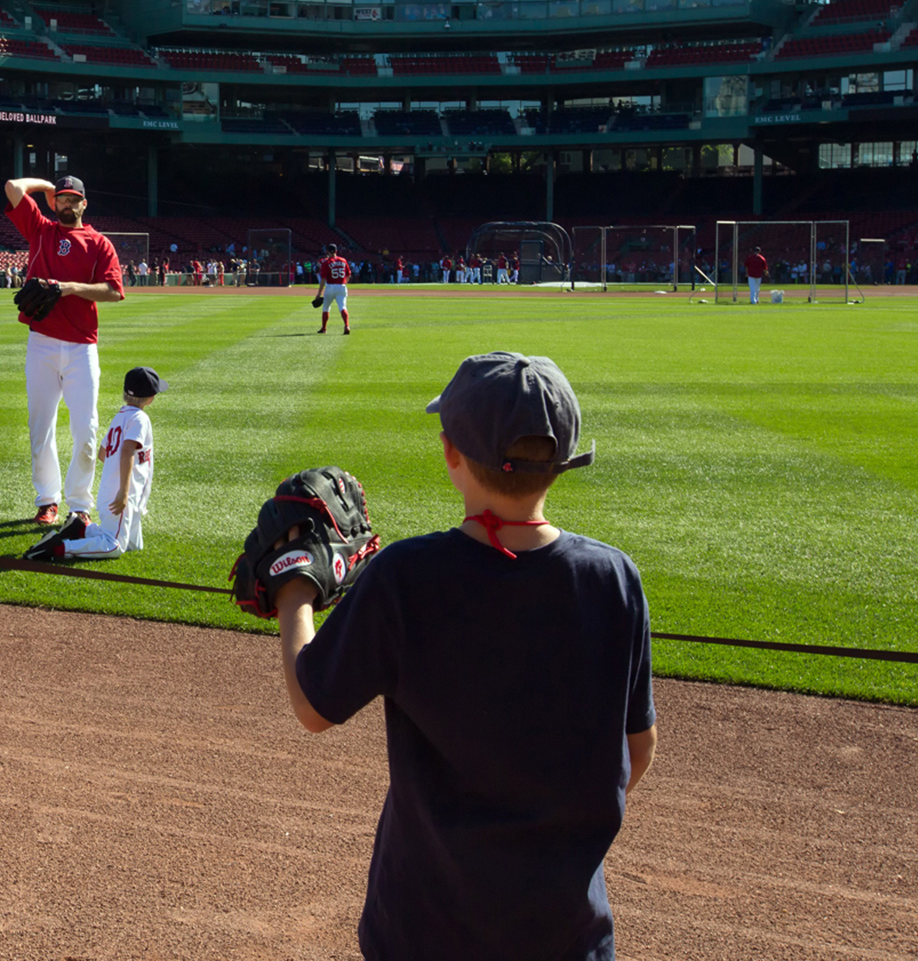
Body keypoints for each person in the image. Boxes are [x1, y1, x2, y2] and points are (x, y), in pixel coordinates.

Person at [270, 351, 656, 961]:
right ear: (563, 461)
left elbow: (313, 705)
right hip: (564, 932)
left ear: (451, 454)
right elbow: (635, 754)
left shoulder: (406, 576)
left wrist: (295, 589)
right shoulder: (614, 577)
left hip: (426, 927)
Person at [4, 173, 125, 525]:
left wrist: (68, 288)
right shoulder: (40, 230)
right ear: (54, 202)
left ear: (85, 203)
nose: (67, 204)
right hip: (41, 343)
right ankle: (47, 500)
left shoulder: (99, 243)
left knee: (85, 431)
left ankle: (79, 505)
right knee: (41, 427)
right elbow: (13, 187)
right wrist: (46, 187)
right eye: (62, 198)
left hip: (81, 347)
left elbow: (114, 290)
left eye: (74, 199)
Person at [21, 366, 165, 562]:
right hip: (122, 494)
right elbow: (126, 452)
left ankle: (81, 528)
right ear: (151, 398)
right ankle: (57, 548)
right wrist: (123, 491)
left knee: (133, 544)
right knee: (114, 547)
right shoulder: (140, 419)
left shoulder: (121, 415)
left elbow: (102, 453)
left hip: (109, 491)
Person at [315, 242, 351, 335]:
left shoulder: (326, 262)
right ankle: (347, 325)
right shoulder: (343, 260)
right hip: (342, 286)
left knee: (326, 308)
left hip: (330, 287)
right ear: (336, 251)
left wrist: (319, 293)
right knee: (342, 307)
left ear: (327, 251)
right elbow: (348, 274)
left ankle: (324, 328)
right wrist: (344, 282)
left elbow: (323, 278)